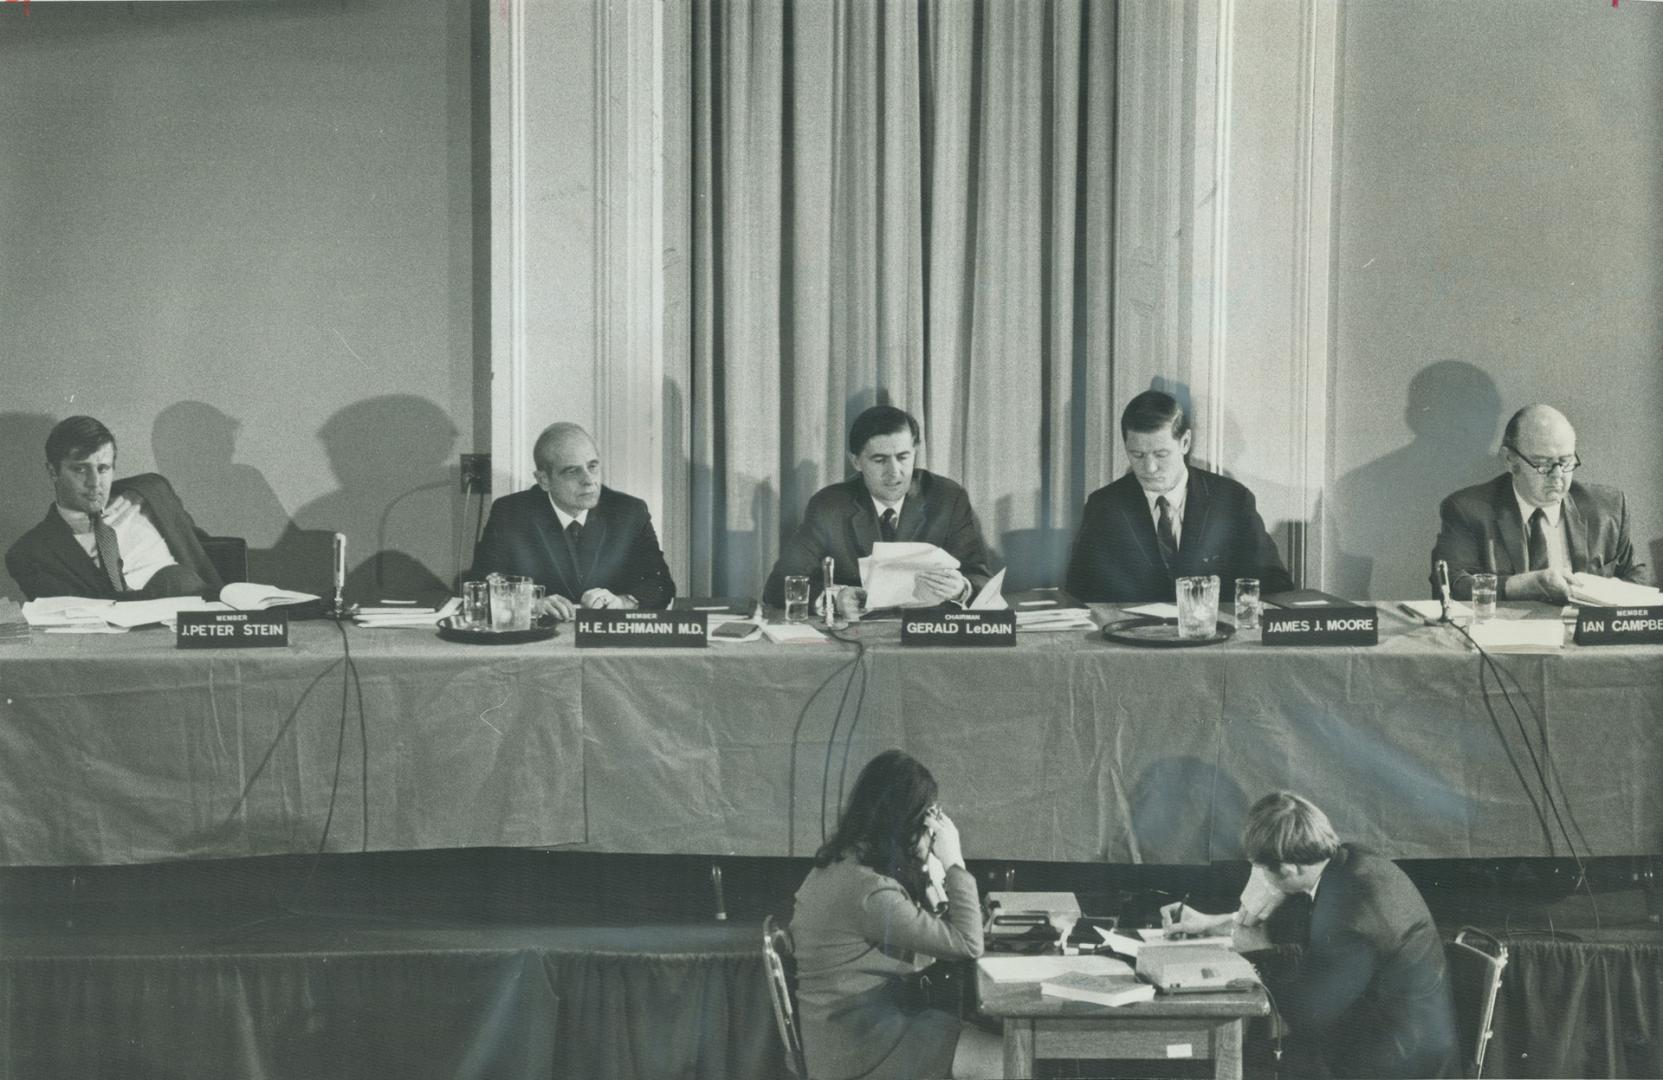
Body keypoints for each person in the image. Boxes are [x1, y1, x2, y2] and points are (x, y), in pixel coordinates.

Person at [1162, 791, 1459, 1079]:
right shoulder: (1349, 861)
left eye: (1262, 870)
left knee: (1240, 1061)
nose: (1262, 878)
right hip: (1399, 1033)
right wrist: (1210, 924)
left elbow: (1307, 1015)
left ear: (1289, 869)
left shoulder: (1347, 910)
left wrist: (1258, 953)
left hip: (1395, 1060)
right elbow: (1297, 930)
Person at [790, 750, 1002, 1080]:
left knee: (977, 1037)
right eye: (927, 822)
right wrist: (953, 861)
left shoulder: (845, 866)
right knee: (1012, 1059)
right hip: (864, 1048)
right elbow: (968, 943)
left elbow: (930, 928)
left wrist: (928, 870)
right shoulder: (868, 892)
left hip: (852, 1034)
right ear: (906, 824)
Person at [1065, 390, 1293, 603]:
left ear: (1185, 443)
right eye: (1137, 455)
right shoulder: (1104, 506)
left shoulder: (1232, 500)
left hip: (1213, 638)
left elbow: (1274, 583)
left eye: (1161, 454)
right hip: (1133, 640)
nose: (1150, 467)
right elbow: (1079, 591)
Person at [763, 406, 994, 613]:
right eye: (879, 460)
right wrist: (833, 600)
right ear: (856, 461)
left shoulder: (947, 498)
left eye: (903, 457)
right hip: (857, 637)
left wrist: (962, 589)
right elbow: (778, 585)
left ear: (915, 452)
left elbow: (981, 578)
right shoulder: (830, 505)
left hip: (927, 635)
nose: (894, 472)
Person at [1430, 403, 1649, 602]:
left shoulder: (1607, 507)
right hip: (1507, 637)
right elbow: (1450, 585)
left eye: (1565, 462)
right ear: (1510, 460)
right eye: (1542, 464)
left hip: (1585, 638)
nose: (1557, 476)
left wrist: (1610, 591)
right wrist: (1520, 586)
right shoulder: (1468, 509)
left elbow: (1638, 578)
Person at [467, 422, 675, 619]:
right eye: (572, 471)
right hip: (540, 642)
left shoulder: (629, 512)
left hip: (607, 642)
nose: (589, 480)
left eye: (592, 466)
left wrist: (622, 602)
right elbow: (481, 582)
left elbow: (661, 584)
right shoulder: (511, 513)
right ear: (543, 480)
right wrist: (530, 603)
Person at [6, 415, 224, 601]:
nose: (94, 482)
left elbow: (198, 543)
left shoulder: (149, 492)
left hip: (198, 623)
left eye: (103, 468)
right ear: (53, 471)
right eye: (80, 470)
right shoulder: (29, 554)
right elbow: (76, 618)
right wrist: (174, 584)